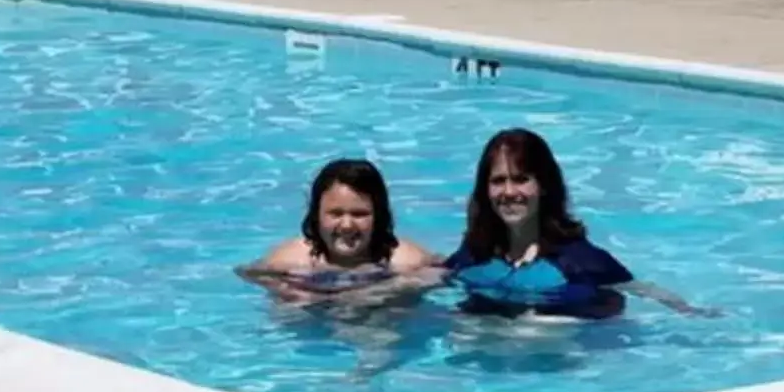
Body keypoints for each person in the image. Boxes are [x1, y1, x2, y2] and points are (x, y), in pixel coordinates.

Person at [443, 127, 648, 318]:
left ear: (544, 186)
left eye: (521, 179)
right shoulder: (475, 254)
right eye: (498, 181)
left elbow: (642, 292)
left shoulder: (579, 261)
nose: (509, 192)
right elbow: (442, 276)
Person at [246, 157, 438, 294]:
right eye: (335, 214)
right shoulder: (292, 259)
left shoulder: (406, 261)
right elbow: (249, 274)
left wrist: (395, 288)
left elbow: (446, 275)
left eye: (360, 214)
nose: (347, 225)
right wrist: (288, 290)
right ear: (317, 216)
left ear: (379, 217)